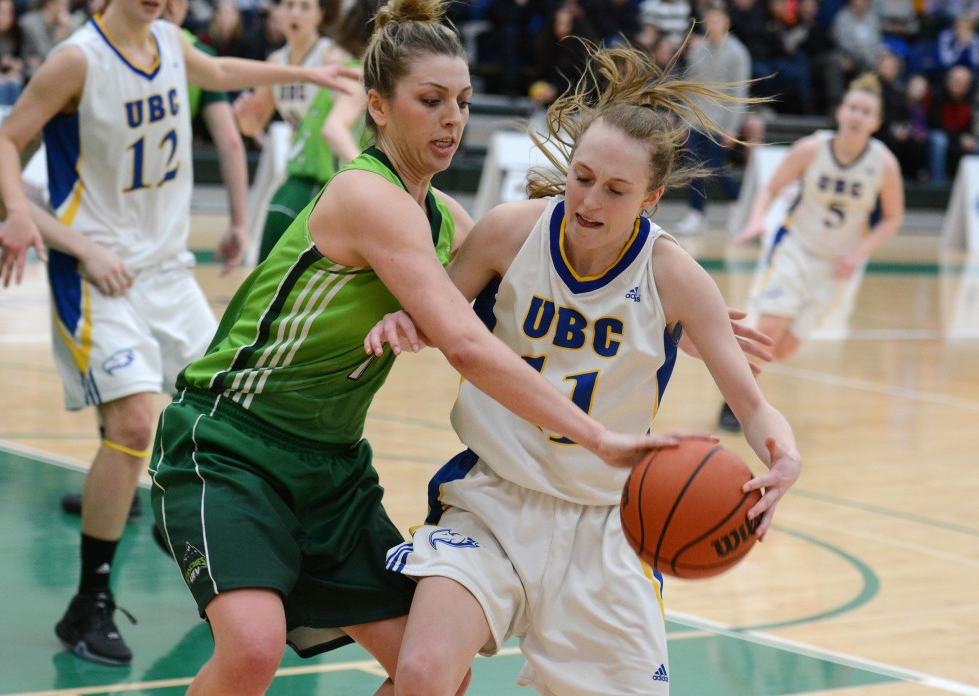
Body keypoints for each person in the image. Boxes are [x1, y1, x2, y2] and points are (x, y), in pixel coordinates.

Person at [147, 0, 682, 693]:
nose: (452, 118)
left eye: (461, 101)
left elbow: (553, 284)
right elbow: (464, 344)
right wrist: (594, 435)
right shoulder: (366, 196)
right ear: (377, 106)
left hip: (330, 470)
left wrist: (685, 310)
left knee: (434, 671)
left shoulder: (443, 217)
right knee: (253, 647)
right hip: (232, 443)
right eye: (430, 101)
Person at [364, 42, 802, 696]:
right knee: (422, 672)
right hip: (492, 501)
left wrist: (783, 454)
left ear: (650, 198)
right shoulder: (510, 234)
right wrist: (407, 322)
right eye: (582, 175)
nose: (590, 199)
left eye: (616, 189)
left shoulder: (676, 277)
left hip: (609, 525)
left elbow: (752, 404)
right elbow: (440, 315)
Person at [0, 0, 357, 666]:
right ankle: (89, 601)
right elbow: (6, 142)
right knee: (134, 427)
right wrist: (21, 213)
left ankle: (247, 566)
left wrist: (307, 80)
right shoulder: (77, 60)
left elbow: (215, 69)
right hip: (99, 270)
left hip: (168, 273)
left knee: (236, 421)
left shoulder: (169, 39)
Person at [55, 0, 255, 520]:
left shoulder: (181, 50)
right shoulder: (85, 57)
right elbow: (230, 139)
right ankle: (128, 478)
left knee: (207, 408)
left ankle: (151, 486)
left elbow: (233, 139)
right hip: (103, 251)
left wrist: (239, 220)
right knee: (137, 417)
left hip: (162, 254)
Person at [721, 72, 905, 431]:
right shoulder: (812, 148)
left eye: (865, 111)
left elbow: (893, 219)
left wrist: (859, 253)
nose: (856, 115)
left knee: (784, 349)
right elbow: (770, 189)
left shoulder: (884, 164)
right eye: (852, 107)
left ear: (876, 122)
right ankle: (734, 402)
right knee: (768, 327)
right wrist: (758, 219)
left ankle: (740, 381)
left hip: (836, 266)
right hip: (795, 249)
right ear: (840, 111)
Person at [251, 0, 372, 263]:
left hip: (333, 168)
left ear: (321, 15)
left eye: (305, 7)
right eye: (289, 5)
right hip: (301, 163)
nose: (295, 13)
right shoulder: (275, 61)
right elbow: (251, 125)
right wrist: (241, 113)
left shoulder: (334, 58)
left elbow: (356, 103)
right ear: (278, 12)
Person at [675, 2, 751, 236]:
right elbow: (689, 86)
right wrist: (683, 121)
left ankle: (738, 205)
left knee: (717, 168)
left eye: (716, 20)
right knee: (692, 167)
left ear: (726, 23)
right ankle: (696, 214)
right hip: (696, 119)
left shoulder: (738, 52)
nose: (712, 25)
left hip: (720, 121)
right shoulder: (698, 49)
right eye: (709, 21)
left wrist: (732, 128)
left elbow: (739, 93)